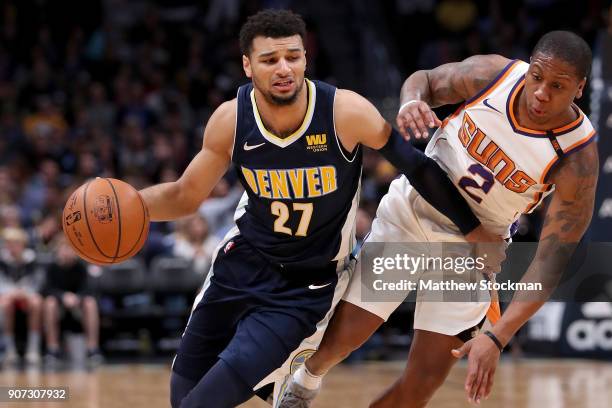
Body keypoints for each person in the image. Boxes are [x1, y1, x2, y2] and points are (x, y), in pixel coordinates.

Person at [138, 9, 496, 408]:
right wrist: (131, 206)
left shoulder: (344, 112)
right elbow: (185, 195)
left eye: (293, 56)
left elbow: (417, 167)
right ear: (247, 65)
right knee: (181, 397)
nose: (284, 68)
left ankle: (284, 378)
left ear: (306, 57)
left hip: (301, 290)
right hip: (239, 268)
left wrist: (474, 229)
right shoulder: (231, 119)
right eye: (270, 60)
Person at [279, 30, 598, 407]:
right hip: (416, 209)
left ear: (579, 89)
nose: (542, 92)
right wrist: (410, 101)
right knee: (349, 334)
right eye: (537, 77)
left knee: (423, 383)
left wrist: (498, 338)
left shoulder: (577, 157)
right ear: (528, 68)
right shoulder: (494, 74)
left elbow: (551, 262)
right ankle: (304, 382)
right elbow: (425, 80)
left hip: (475, 248)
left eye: (558, 86)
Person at [42, 235, 102, 366]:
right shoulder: (52, 267)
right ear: (57, 250)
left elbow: (89, 289)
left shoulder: (81, 266)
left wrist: (77, 298)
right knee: (49, 303)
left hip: (78, 306)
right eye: (64, 248)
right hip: (59, 306)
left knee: (90, 303)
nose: (67, 252)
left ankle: (92, 349)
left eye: (70, 248)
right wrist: (63, 296)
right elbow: (46, 289)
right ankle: (53, 349)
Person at [0, 227, 45, 365]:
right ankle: (9, 350)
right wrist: (13, 293)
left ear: (22, 244)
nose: (11, 246)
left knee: (37, 303)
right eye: (8, 243)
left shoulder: (32, 259)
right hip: (9, 295)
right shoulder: (2, 259)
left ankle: (33, 349)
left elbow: (38, 282)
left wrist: (25, 293)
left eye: (14, 243)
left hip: (28, 295)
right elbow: (1, 282)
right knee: (4, 304)